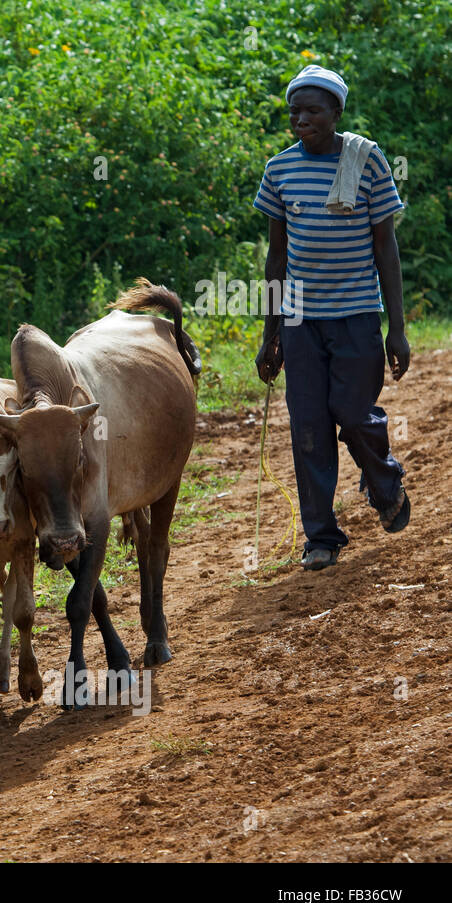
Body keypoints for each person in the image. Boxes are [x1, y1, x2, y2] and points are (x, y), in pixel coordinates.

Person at [253, 65, 410, 571]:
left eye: (313, 110)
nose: (301, 119)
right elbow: (276, 259)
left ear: (337, 113)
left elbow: (386, 251)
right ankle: (320, 536)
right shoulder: (280, 170)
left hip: (358, 316)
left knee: (353, 411)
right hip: (301, 323)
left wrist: (398, 329)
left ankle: (383, 480)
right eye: (295, 110)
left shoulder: (367, 161)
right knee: (309, 429)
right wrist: (270, 333)